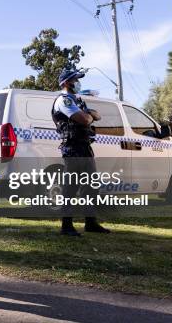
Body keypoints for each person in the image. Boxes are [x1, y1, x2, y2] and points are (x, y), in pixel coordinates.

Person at [51, 68, 111, 236]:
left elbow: (97, 115)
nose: (77, 82)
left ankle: (90, 223)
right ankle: (66, 226)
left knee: (91, 186)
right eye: (74, 80)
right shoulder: (64, 101)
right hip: (72, 148)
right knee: (71, 187)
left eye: (78, 79)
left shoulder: (76, 100)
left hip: (84, 147)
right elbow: (85, 119)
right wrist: (88, 115)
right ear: (65, 83)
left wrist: (89, 114)